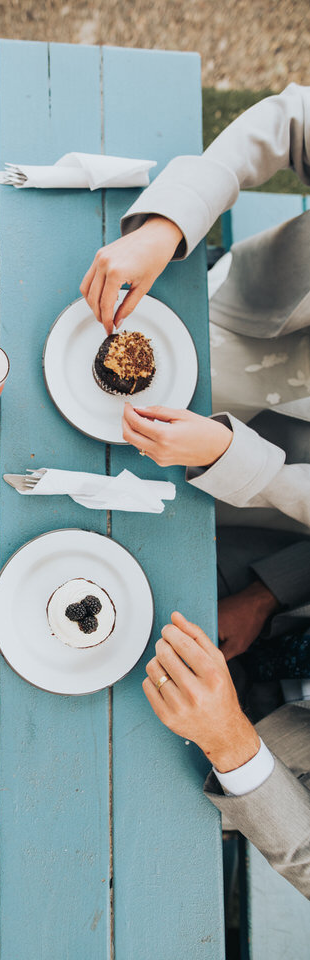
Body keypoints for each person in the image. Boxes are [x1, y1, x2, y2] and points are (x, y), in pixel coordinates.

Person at [80, 83, 310, 897]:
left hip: (236, 740)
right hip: (235, 346)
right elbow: (289, 120)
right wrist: (170, 222)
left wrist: (231, 743)